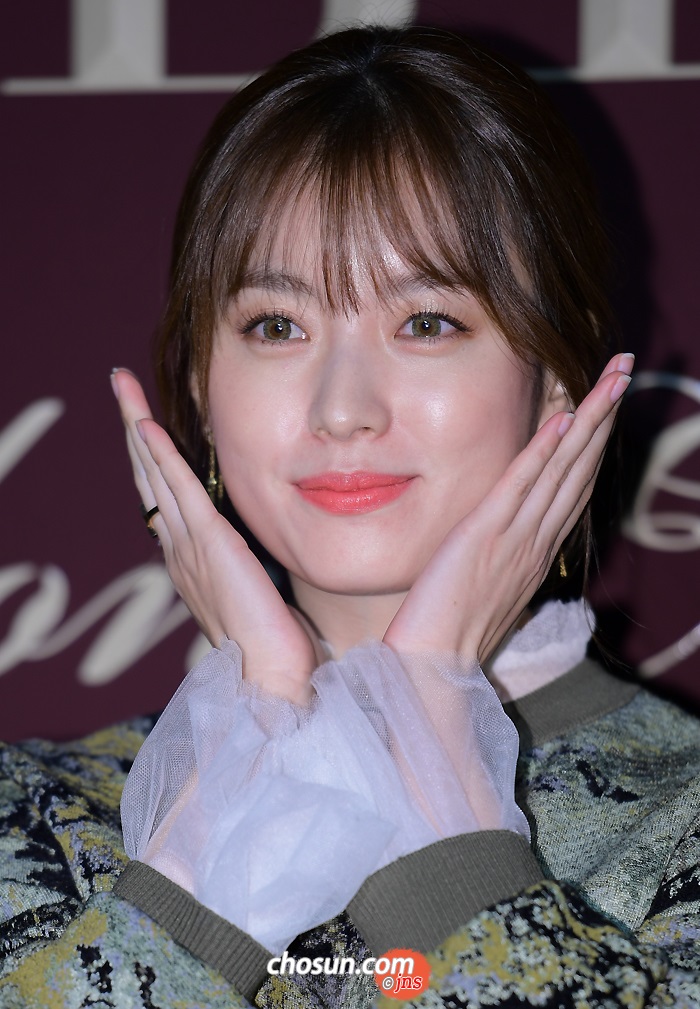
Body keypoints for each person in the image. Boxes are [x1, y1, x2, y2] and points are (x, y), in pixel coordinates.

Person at [1, 24, 699, 1009]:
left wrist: (424, 729)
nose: (341, 408)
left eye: (426, 322)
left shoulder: (680, 819)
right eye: (276, 325)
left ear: (556, 376)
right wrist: (210, 841)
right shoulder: (36, 818)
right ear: (200, 385)